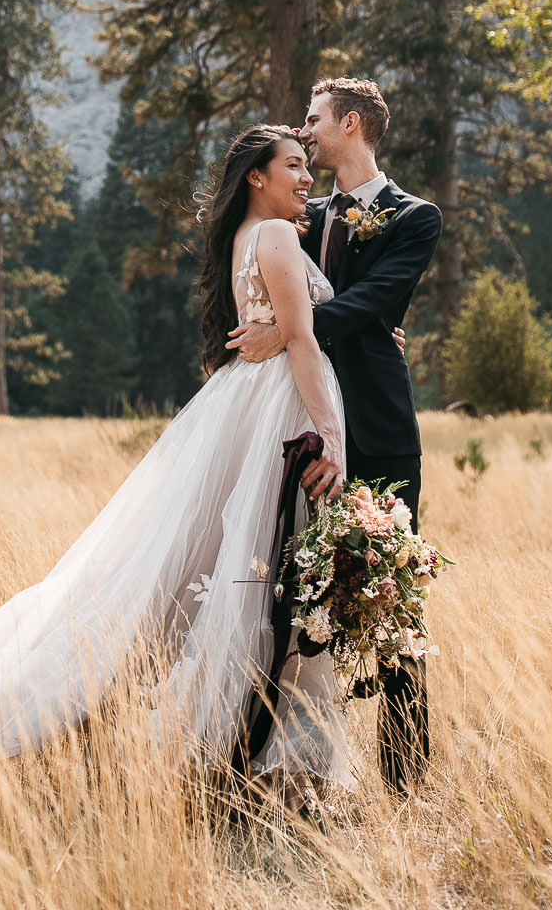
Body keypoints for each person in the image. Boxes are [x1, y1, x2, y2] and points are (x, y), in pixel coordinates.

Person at [0, 124, 404, 780]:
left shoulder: (246, 235)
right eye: (292, 166)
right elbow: (304, 342)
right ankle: (251, 748)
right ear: (256, 176)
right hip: (281, 413)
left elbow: (301, 327)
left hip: (250, 406)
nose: (306, 179)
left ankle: (252, 743)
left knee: (236, 572)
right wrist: (333, 440)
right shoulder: (278, 235)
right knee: (261, 578)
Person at [227, 76, 442, 794]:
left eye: (314, 120)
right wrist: (286, 328)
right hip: (307, 433)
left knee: (393, 602)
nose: (305, 131)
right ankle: (264, 761)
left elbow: (375, 301)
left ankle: (406, 781)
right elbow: (310, 294)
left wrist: (287, 331)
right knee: (286, 600)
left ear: (350, 124)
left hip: (376, 428)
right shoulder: (299, 214)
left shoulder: (416, 217)